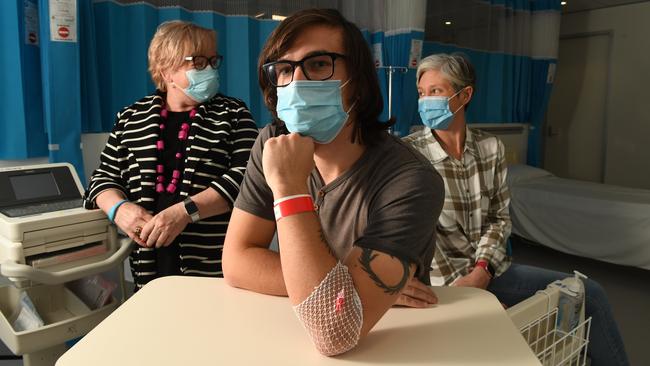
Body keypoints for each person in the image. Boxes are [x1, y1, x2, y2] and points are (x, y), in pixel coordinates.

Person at [222, 9, 444, 356]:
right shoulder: (271, 144)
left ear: (356, 79)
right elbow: (236, 262)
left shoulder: (411, 180)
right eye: (284, 69)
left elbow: (335, 333)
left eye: (318, 64)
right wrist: (346, 288)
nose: (296, 82)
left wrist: (290, 192)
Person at [404, 53, 630, 366]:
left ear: (465, 94)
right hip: (443, 282)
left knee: (590, 293)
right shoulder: (408, 154)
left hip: (490, 268)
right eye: (422, 93)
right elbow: (418, 235)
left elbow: (498, 218)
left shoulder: (490, 148)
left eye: (436, 92)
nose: (425, 101)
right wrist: (470, 292)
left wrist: (482, 271)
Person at [83, 21, 258, 291]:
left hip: (214, 265)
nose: (209, 70)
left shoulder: (233, 113)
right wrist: (119, 210)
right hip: (149, 264)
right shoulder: (132, 117)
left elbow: (247, 177)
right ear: (166, 71)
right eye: (198, 62)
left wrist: (185, 212)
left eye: (213, 61)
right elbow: (102, 179)